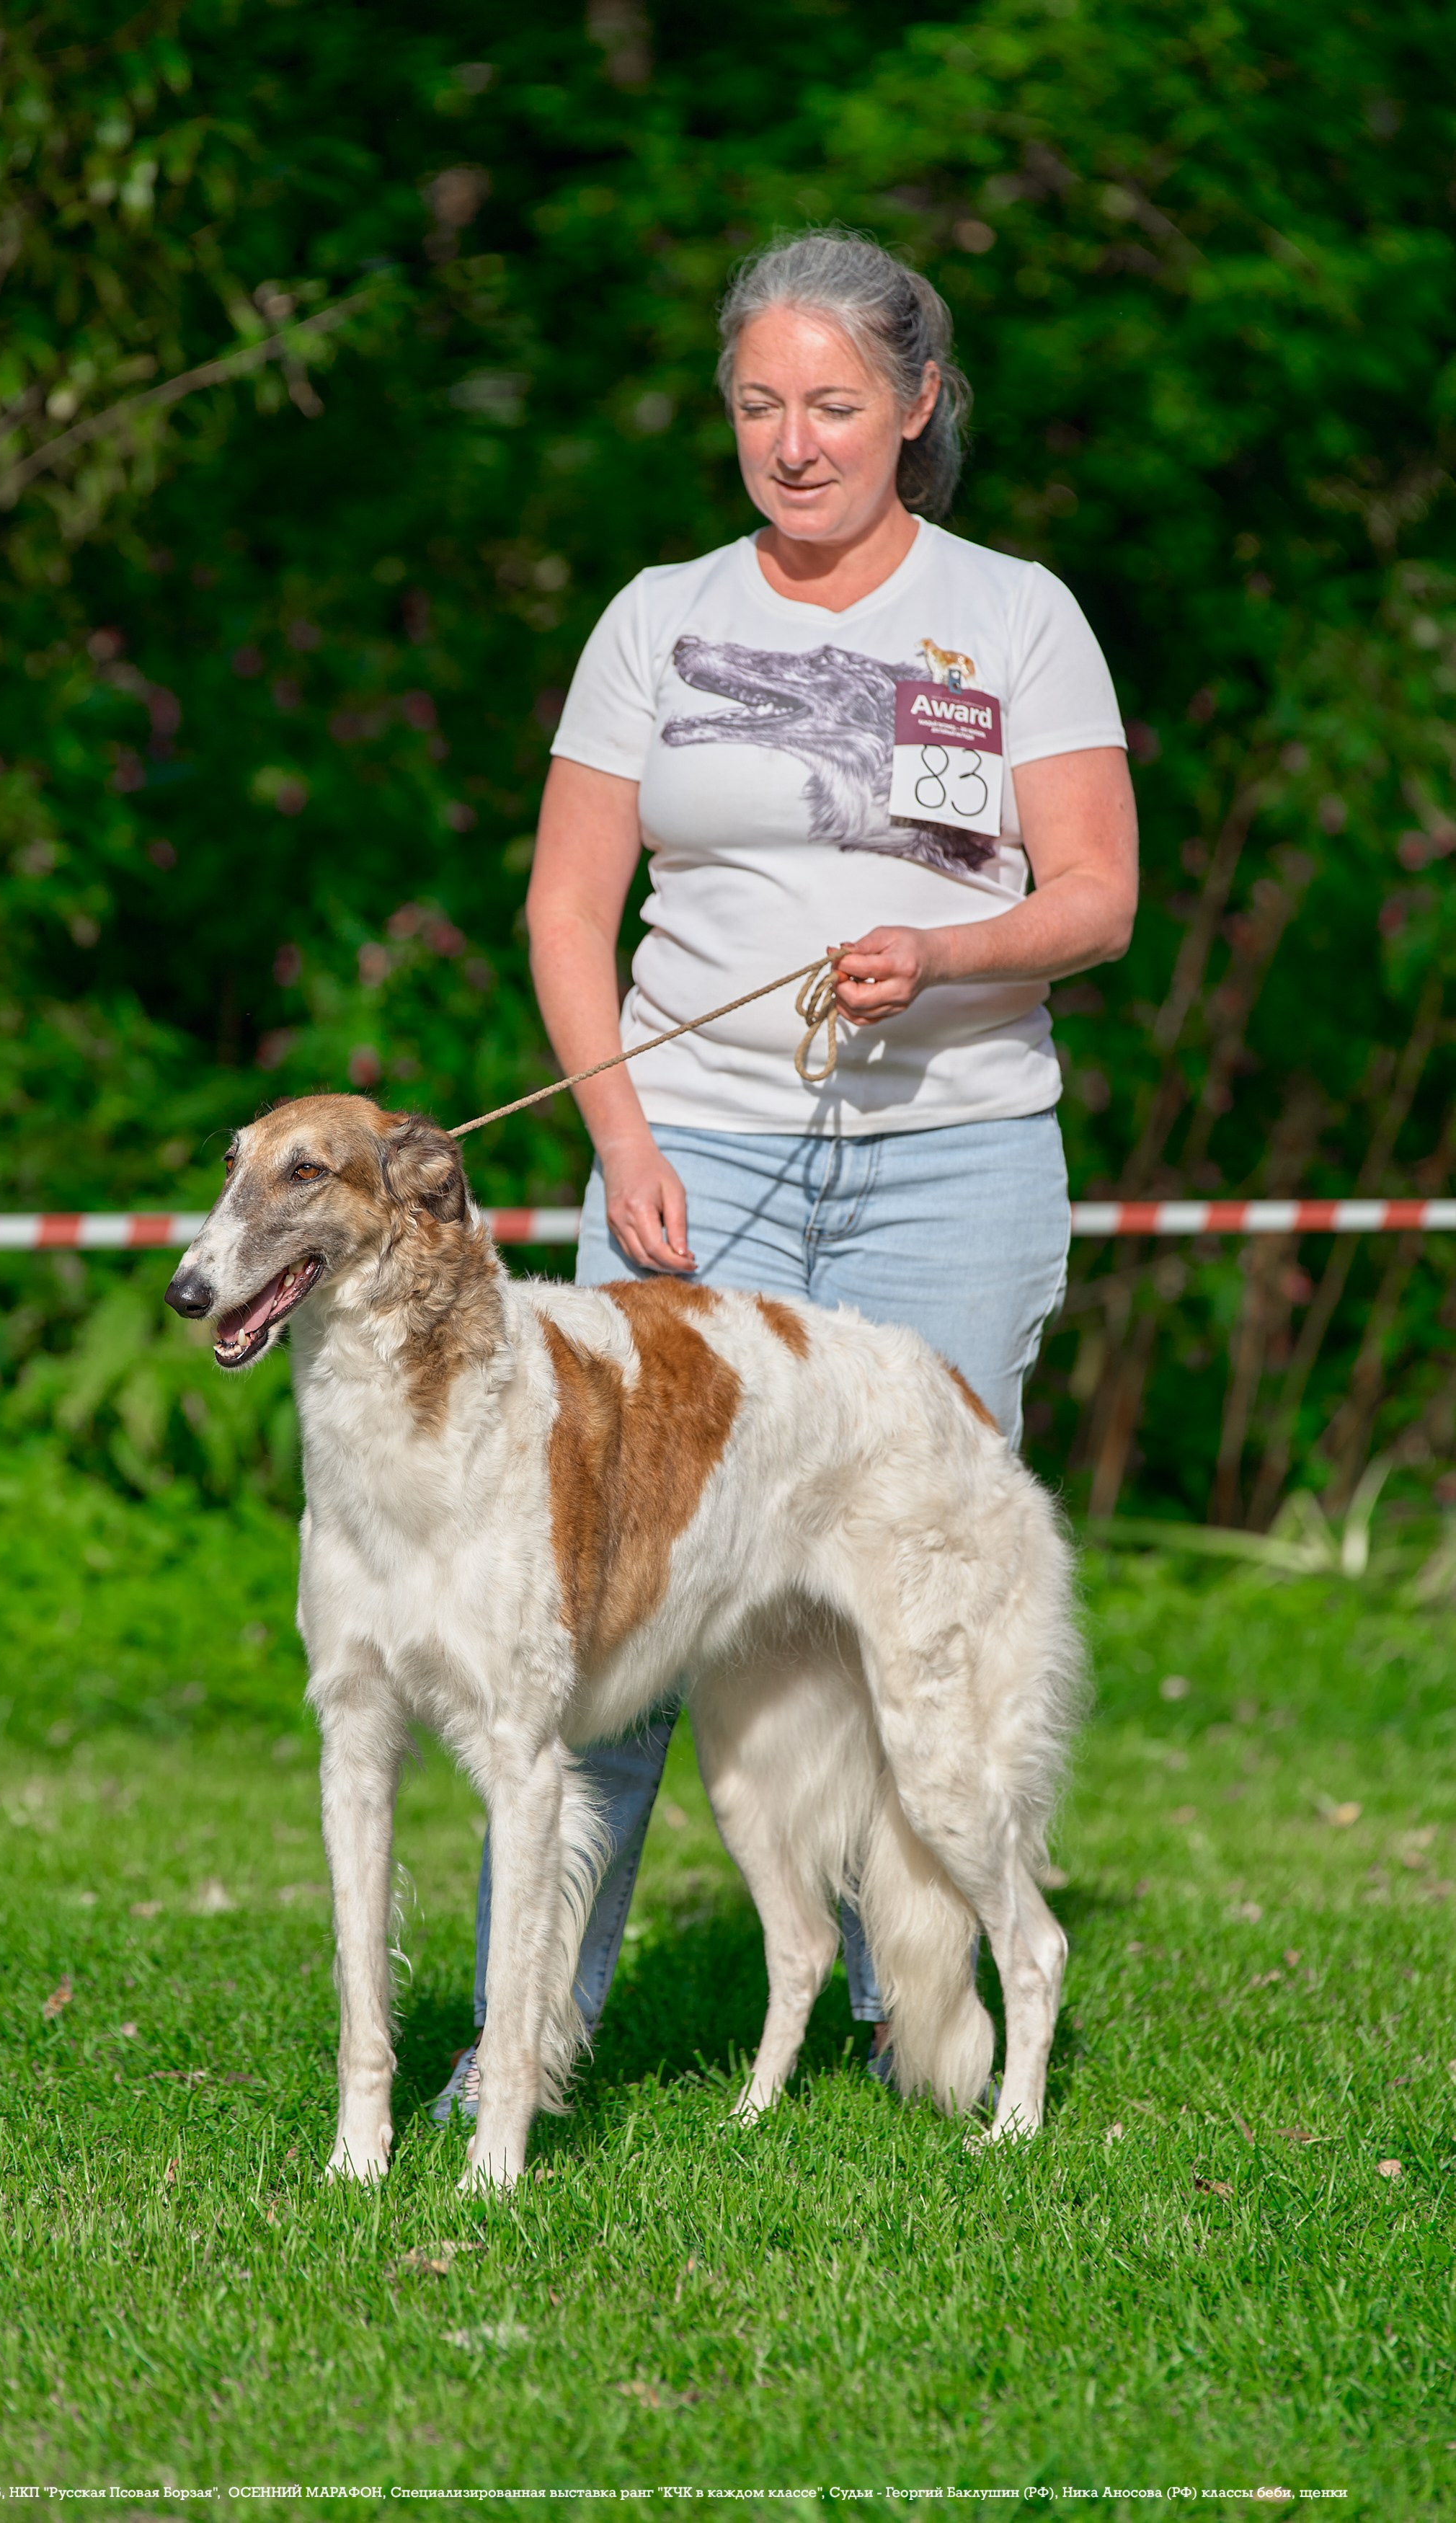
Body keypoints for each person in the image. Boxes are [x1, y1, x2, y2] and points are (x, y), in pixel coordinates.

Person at [434, 228, 1136, 2124]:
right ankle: (524, 2044)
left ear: (915, 406)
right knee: (597, 1618)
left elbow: (1097, 893)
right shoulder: (659, 616)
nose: (796, 440)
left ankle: (916, 2013)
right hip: (697, 1162)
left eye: (835, 404)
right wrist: (623, 1138)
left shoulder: (1017, 614)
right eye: (761, 404)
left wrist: (950, 950)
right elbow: (570, 906)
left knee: (912, 1603)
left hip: (954, 1166)